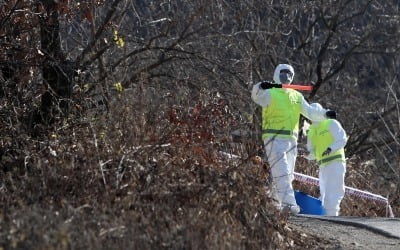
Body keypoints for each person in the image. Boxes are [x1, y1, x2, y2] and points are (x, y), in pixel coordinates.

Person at [251, 63, 334, 214]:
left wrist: (324, 114)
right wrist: (260, 86)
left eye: (289, 74)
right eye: (283, 74)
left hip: (291, 140)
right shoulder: (270, 93)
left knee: (287, 174)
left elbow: (310, 112)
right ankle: (289, 205)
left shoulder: (296, 96)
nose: (286, 77)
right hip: (273, 138)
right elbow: (256, 96)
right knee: (281, 171)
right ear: (277, 74)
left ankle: (274, 204)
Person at [305, 103, 347, 216]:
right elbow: (312, 152)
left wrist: (330, 148)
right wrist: (306, 154)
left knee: (333, 193)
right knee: (324, 194)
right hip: (323, 165)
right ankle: (327, 219)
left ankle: (332, 218)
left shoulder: (331, 123)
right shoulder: (312, 130)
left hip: (335, 162)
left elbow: (342, 139)